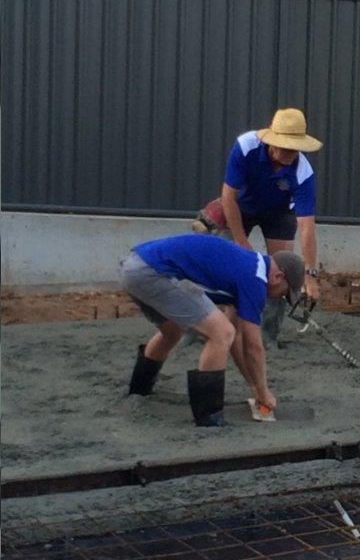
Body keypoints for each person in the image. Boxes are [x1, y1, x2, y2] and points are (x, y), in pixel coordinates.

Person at [121, 233, 304, 426]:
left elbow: (237, 341)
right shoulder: (255, 279)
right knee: (220, 333)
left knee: (173, 331)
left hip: (133, 267)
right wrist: (264, 390)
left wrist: (253, 386)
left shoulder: (247, 265)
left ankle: (139, 391)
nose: (278, 297)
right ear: (277, 276)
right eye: (284, 292)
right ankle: (208, 416)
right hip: (154, 273)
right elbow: (253, 346)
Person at [220, 107, 323, 343]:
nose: (290, 154)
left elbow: (306, 226)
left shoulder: (303, 172)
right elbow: (228, 197)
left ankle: (267, 336)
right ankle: (206, 327)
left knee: (281, 271)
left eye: (295, 148)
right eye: (286, 147)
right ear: (272, 143)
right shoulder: (245, 147)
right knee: (223, 259)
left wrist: (309, 274)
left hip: (279, 213)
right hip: (241, 207)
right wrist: (241, 241)